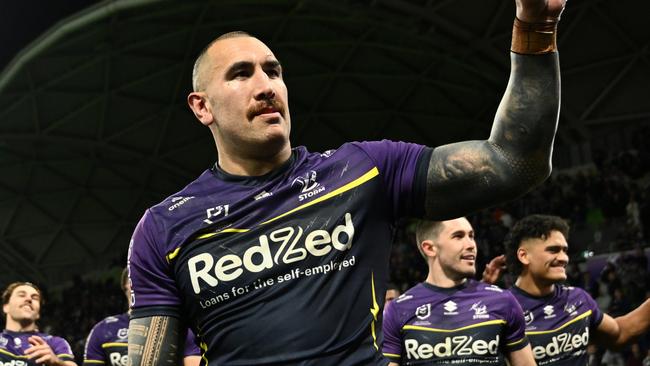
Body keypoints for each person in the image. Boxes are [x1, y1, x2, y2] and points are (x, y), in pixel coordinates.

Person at [127, 0, 566, 363]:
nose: (266, 86)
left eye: (273, 71)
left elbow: (514, 163)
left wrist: (536, 25)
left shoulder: (363, 170)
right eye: (242, 74)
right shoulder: (163, 227)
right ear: (201, 107)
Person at [501, 214, 650, 366]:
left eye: (565, 251)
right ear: (524, 256)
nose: (564, 258)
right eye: (553, 250)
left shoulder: (577, 298)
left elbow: (619, 334)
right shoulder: (501, 310)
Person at [382, 218, 535, 365]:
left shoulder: (503, 300)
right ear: (429, 248)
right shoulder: (398, 309)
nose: (471, 245)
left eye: (471, 236)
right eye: (458, 236)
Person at [83, 270, 200, 366]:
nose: (143, 280)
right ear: (126, 285)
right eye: (136, 276)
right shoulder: (103, 329)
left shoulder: (179, 326)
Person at [1, 282, 76, 366]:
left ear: (38, 314)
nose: (29, 299)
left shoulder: (55, 342)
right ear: (6, 307)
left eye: (35, 298)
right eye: (21, 295)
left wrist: (56, 362)